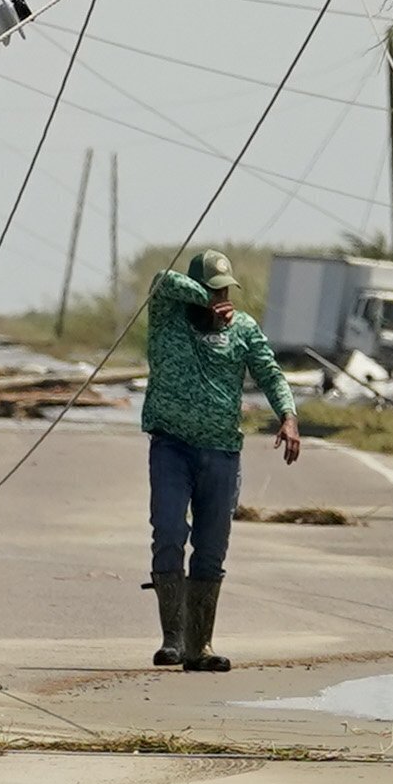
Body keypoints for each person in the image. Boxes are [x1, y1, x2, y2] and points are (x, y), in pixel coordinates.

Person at [137, 247, 301, 672]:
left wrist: (288, 416)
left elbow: (270, 372)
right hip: (172, 445)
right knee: (169, 532)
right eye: (213, 290)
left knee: (211, 548)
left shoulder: (242, 328)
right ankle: (172, 639)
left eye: (224, 290)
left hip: (222, 452)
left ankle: (199, 647)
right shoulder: (167, 321)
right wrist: (200, 298)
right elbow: (162, 280)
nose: (220, 298)